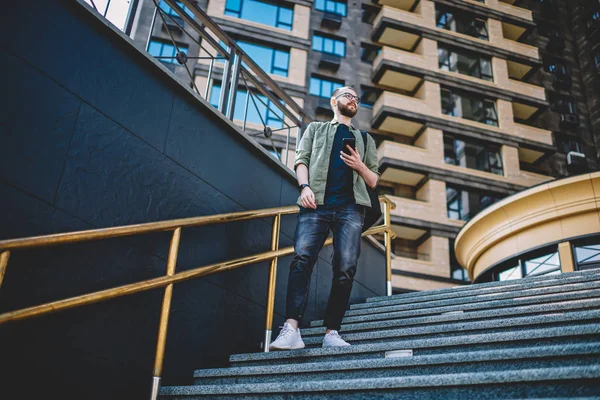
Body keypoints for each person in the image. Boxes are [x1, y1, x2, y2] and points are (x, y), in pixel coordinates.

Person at [269, 86, 380, 350]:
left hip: (351, 208)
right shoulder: (316, 129)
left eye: (356, 98)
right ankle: (292, 328)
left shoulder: (365, 139)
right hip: (315, 204)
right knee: (301, 260)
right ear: (334, 101)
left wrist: (359, 165)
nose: (353, 99)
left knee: (345, 269)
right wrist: (304, 187)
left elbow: (374, 179)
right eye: (347, 95)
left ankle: (332, 332)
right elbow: (301, 160)